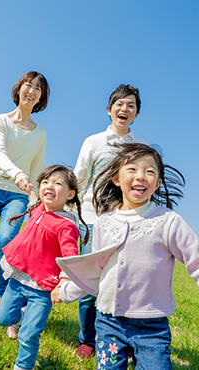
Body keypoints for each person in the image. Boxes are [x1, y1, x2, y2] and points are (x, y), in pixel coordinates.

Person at [53, 143, 199, 369]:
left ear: (157, 184)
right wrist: (67, 292)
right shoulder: (104, 223)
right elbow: (95, 272)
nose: (141, 176)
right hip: (109, 322)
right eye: (132, 169)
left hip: (152, 328)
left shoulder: (168, 221)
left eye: (149, 172)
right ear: (116, 179)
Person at [73, 84, 148, 359]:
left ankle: (122, 340)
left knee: (124, 284)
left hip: (128, 224)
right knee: (91, 285)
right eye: (120, 104)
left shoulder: (142, 147)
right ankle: (88, 340)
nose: (124, 109)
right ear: (109, 109)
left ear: (136, 113)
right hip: (93, 221)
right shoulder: (93, 142)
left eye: (131, 105)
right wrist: (75, 214)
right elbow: (79, 179)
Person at [0, 165, 89, 370]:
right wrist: (28, 189)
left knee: (29, 335)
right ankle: (20, 317)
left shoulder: (66, 225)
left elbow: (70, 256)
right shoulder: (37, 208)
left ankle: (22, 366)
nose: (49, 186)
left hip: (43, 289)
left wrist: (63, 281)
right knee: (1, 318)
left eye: (57, 183)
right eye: (45, 182)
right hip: (19, 278)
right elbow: (33, 198)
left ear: (70, 194)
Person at [0, 71, 50, 311]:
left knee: (7, 242)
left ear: (41, 98)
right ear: (18, 89)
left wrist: (36, 197)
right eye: (28, 85)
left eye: (38, 88)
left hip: (17, 197)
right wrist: (17, 173)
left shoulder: (40, 134)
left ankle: (0, 294)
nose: (32, 91)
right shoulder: (0, 121)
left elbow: (37, 169)